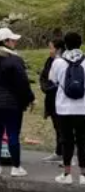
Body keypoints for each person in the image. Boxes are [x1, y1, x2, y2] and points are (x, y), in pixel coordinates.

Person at [0, 27, 35, 178]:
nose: (15, 42)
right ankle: (16, 166)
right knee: (13, 133)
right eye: (12, 40)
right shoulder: (15, 60)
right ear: (5, 42)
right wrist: (31, 98)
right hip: (12, 103)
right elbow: (23, 83)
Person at [50, 31, 85, 184]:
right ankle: (83, 175)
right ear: (80, 44)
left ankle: (67, 174)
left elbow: (53, 81)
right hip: (83, 108)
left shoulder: (58, 62)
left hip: (64, 108)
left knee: (66, 140)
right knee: (83, 141)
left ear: (65, 44)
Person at [40, 36, 66, 164]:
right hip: (51, 99)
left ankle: (67, 155)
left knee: (64, 128)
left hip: (62, 100)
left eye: (51, 48)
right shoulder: (50, 60)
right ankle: (59, 152)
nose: (49, 51)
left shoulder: (65, 62)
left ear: (58, 49)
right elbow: (44, 76)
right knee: (57, 127)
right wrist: (46, 87)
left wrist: (53, 87)